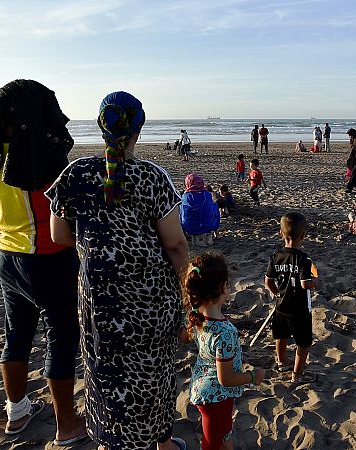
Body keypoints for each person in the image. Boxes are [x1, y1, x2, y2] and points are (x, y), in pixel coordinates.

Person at [45, 91, 188, 449]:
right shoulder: (153, 178)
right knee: (156, 373)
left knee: (104, 373)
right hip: (151, 300)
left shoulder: (75, 174)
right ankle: (162, 442)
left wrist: (100, 249)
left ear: (100, 126)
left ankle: (112, 441)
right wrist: (188, 292)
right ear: (140, 128)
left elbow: (58, 234)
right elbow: (175, 245)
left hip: (99, 300)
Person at [0, 80, 85, 446]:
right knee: (60, 338)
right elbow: (65, 215)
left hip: (7, 257)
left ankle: (16, 412)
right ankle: (66, 424)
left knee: (16, 335)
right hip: (49, 259)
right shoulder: (37, 159)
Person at [184, 252, 266, 450]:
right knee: (211, 443)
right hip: (215, 397)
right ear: (220, 289)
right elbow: (226, 378)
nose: (230, 286)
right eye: (227, 284)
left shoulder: (198, 317)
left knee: (223, 434)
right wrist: (253, 376)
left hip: (204, 389)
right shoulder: (225, 332)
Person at [264, 212, 318, 383]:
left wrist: (277, 293)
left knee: (281, 335)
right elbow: (304, 283)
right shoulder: (303, 259)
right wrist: (315, 281)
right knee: (304, 343)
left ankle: (281, 361)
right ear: (303, 236)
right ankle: (298, 374)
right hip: (299, 309)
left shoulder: (276, 256)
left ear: (281, 234)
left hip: (281, 306)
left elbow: (268, 281)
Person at [180, 173, 220, 244]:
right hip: (209, 226)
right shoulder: (207, 195)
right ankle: (217, 234)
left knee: (180, 209)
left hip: (190, 228)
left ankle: (184, 235)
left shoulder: (185, 196)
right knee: (215, 207)